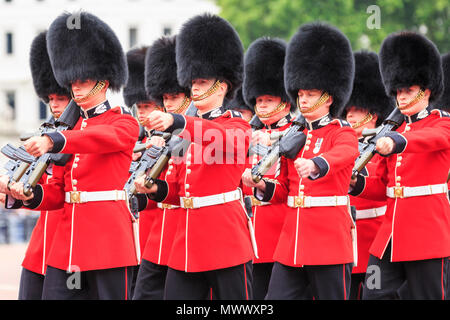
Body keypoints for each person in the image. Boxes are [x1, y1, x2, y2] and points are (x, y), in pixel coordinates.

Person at [8, 11, 139, 300]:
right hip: (67, 245)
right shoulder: (70, 130)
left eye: (83, 80)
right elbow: (58, 191)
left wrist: (56, 139)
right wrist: (29, 195)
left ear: (103, 83)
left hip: (109, 244)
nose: (75, 86)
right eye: (72, 81)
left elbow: (102, 138)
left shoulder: (123, 122)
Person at [134, 14, 255, 300]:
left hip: (226, 241)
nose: (195, 87)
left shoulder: (236, 124)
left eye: (202, 81)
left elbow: (220, 138)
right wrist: (155, 188)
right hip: (186, 244)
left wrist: (179, 122)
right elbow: (177, 189)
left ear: (222, 86)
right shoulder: (186, 131)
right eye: (193, 82)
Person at [243, 23, 358, 300]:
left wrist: (317, 163)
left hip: (329, 240)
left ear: (328, 98)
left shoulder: (341, 131)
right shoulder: (295, 135)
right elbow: (283, 189)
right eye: (301, 94)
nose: (303, 100)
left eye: (310, 94)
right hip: (292, 242)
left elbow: (345, 153)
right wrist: (259, 185)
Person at [350, 31, 450, 300]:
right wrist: (356, 184)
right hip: (390, 237)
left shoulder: (442, 122)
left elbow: (434, 139)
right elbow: (381, 186)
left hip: (427, 235)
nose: (401, 96)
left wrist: (397, 140)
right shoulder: (392, 130)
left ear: (426, 90)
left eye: (409, 90)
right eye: (398, 91)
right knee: (372, 294)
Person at [132, 35, 193, 300]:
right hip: (157, 235)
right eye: (164, 98)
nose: (168, 103)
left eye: (175, 96)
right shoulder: (154, 137)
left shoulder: (198, 132)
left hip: (185, 232)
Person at [239, 37, 293, 299]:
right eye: (258, 100)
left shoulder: (296, 134)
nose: (260, 106)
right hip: (252, 231)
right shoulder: (248, 133)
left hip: (282, 228)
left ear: (285, 101)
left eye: (268, 100)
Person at [339, 50, 395, 300]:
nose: (349, 116)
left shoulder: (384, 148)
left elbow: (384, 189)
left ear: (372, 114)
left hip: (373, 235)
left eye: (356, 110)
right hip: (344, 236)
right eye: (347, 110)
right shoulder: (339, 145)